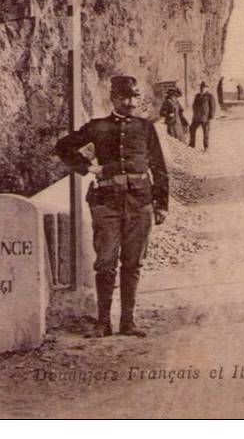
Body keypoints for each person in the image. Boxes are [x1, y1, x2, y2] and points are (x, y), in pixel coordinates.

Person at [54, 75, 169, 338]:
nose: (130, 102)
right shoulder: (97, 127)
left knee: (133, 263)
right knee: (105, 262)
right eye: (124, 97)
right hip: (106, 203)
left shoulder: (146, 128)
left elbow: (159, 168)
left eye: (134, 97)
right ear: (113, 98)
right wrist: (88, 168)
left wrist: (162, 204)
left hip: (140, 202)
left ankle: (128, 322)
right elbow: (63, 148)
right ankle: (103, 323)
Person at [189, 81, 216, 151]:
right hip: (196, 117)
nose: (202, 88)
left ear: (207, 88)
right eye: (201, 87)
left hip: (205, 117)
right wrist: (195, 112)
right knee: (192, 129)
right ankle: (192, 145)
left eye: (204, 87)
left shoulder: (210, 96)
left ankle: (206, 147)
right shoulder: (197, 95)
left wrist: (210, 116)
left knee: (206, 132)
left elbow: (213, 107)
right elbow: (194, 105)